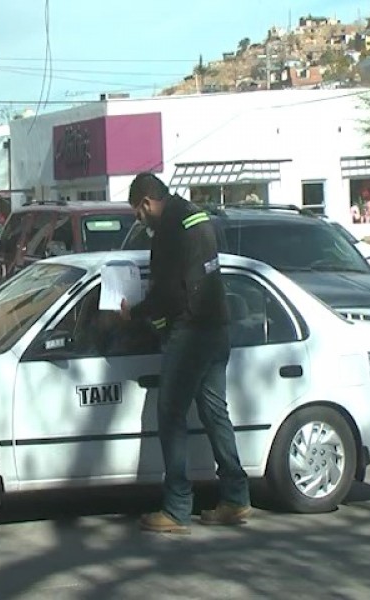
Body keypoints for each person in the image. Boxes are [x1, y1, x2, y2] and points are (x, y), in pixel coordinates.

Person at [120, 172, 250, 534]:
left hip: (191, 333)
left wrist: (137, 313)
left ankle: (177, 508)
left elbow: (168, 294)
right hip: (216, 328)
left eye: (138, 213)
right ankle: (236, 498)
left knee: (171, 413)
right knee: (213, 411)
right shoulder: (195, 215)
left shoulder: (170, 229)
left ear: (147, 203)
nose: (139, 221)